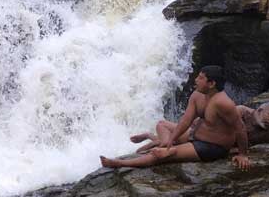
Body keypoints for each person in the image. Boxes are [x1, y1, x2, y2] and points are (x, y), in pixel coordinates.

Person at [101, 66, 250, 169]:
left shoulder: (223, 103)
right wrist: (171, 141)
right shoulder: (197, 95)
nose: (196, 80)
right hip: (194, 136)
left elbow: (240, 128)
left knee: (160, 156)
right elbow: (186, 120)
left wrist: (243, 154)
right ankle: (164, 145)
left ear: (211, 83)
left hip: (212, 147)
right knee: (164, 134)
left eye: (201, 78)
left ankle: (120, 164)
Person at [130, 102, 269, 171]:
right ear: (260, 110)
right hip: (197, 132)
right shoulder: (240, 111)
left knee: (166, 142)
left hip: (205, 142)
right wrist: (240, 152)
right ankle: (152, 137)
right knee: (165, 135)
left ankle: (152, 138)